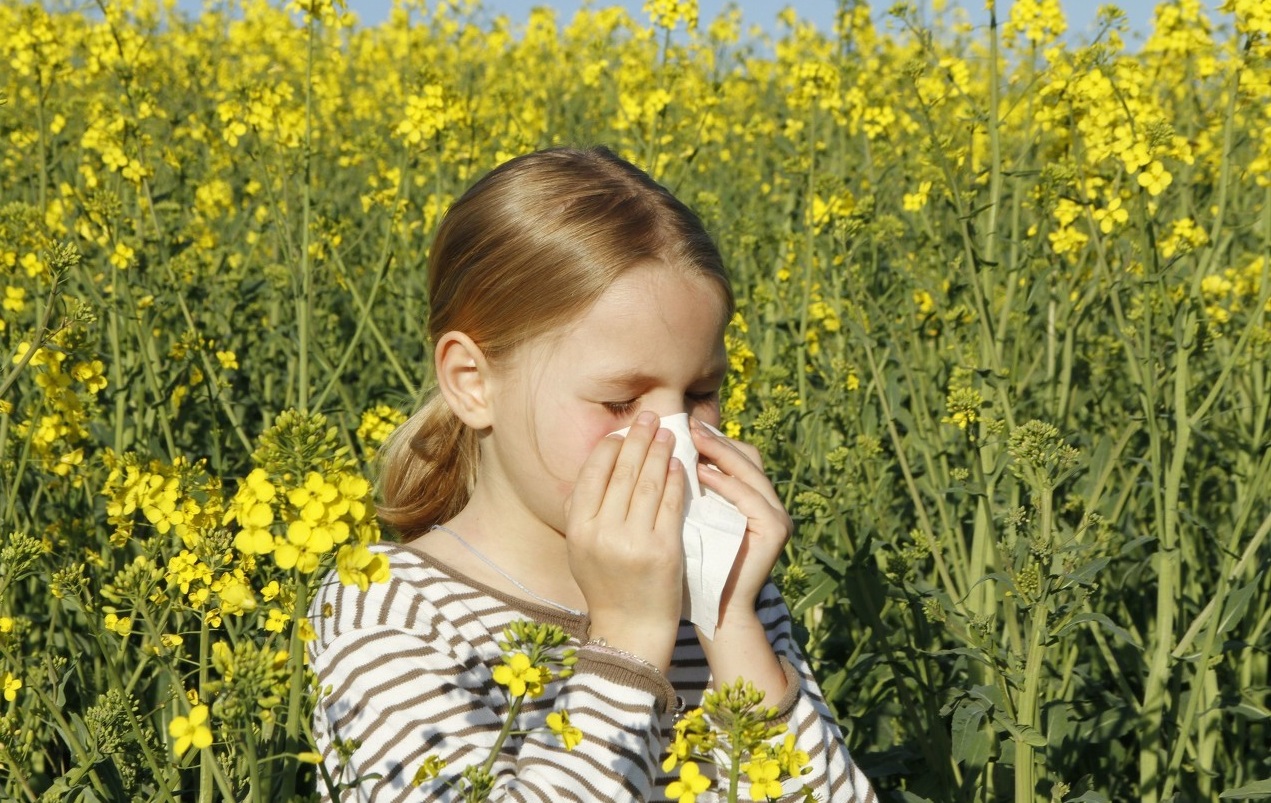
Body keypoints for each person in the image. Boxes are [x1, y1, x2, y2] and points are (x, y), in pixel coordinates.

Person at [307, 146, 876, 802]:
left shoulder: (720, 588)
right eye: (620, 402)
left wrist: (730, 619)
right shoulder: (388, 608)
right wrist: (625, 643)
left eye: (698, 393)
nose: (674, 442)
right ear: (473, 382)